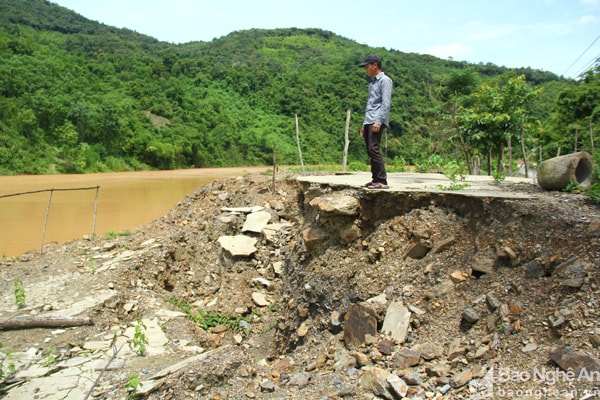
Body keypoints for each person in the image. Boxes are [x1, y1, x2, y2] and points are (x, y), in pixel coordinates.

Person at [358, 54, 393, 189]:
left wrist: (378, 121)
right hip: (369, 120)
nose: (366, 69)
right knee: (370, 150)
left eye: (367, 66)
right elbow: (370, 105)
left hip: (377, 120)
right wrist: (364, 124)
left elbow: (385, 103)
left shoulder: (385, 80)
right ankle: (375, 179)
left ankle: (382, 181)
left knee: (374, 149)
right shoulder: (372, 83)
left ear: (375, 65)